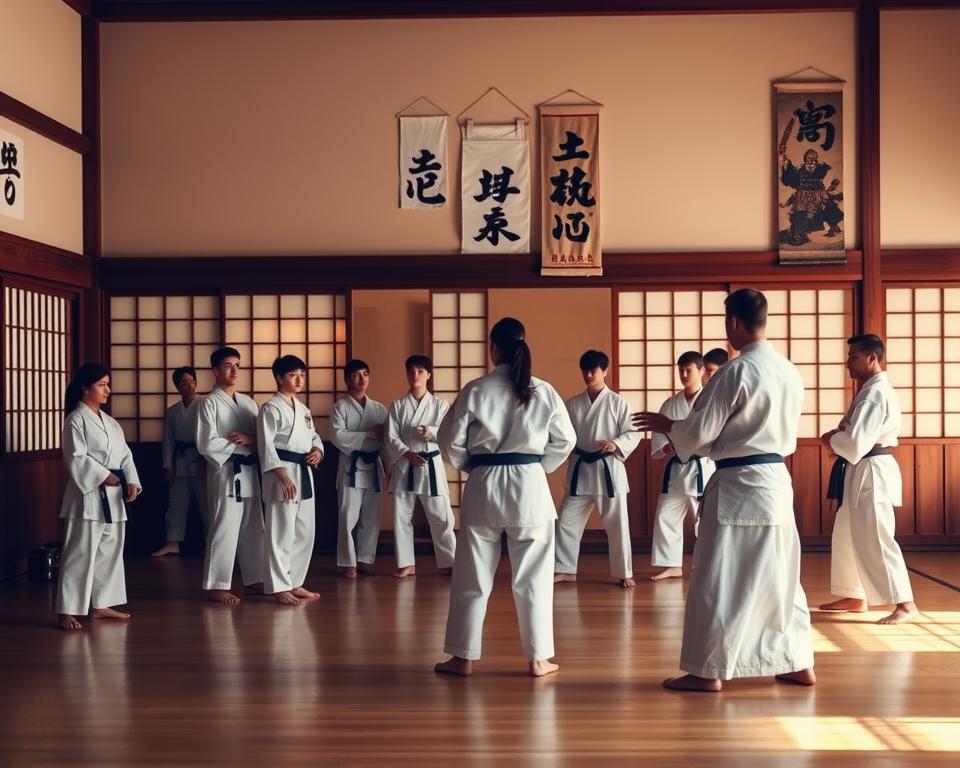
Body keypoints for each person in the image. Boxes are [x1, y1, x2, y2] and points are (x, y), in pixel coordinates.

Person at [633, 289, 815, 692]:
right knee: (781, 574)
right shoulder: (789, 370)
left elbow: (698, 433)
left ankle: (707, 670)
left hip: (738, 483)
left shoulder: (736, 371)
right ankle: (796, 661)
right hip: (776, 482)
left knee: (716, 575)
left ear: (733, 322)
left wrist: (667, 425)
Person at [435, 317, 576, 678]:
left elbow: (448, 441)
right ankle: (538, 658)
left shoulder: (476, 389)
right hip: (529, 487)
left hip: (484, 485)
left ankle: (463, 658)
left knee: (471, 575)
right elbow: (566, 441)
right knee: (533, 579)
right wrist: (536, 466)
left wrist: (473, 466)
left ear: (492, 348)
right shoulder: (543, 390)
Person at [819, 334, 917, 625]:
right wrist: (838, 437)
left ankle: (905, 603)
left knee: (876, 535)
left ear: (872, 358)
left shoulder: (876, 392)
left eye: (853, 357)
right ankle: (854, 594)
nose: (847, 363)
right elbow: (850, 435)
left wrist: (832, 438)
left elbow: (855, 441)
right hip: (860, 468)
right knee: (846, 532)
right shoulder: (867, 390)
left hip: (872, 469)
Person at [56, 363, 142, 630]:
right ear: (85, 387)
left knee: (109, 551)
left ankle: (101, 603)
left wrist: (133, 482)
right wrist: (104, 475)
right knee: (80, 552)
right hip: (88, 496)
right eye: (102, 384)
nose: (108, 390)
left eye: (108, 384)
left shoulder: (111, 422)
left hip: (114, 495)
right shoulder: (76, 420)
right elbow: (76, 457)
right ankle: (68, 610)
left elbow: (126, 456)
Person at [554, 349, 640, 588]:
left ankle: (624, 572)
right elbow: (564, 435)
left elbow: (633, 432)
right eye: (585, 370)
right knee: (566, 523)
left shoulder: (617, 403)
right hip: (581, 470)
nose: (589, 374)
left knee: (617, 525)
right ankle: (565, 568)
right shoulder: (572, 404)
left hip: (608, 470)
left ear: (605, 371)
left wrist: (616, 443)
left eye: (594, 370)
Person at [196, 346, 265, 605]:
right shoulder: (208, 403)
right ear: (215, 370)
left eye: (237, 365)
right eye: (227, 365)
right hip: (226, 471)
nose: (234, 370)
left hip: (250, 471)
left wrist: (251, 439)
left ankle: (255, 578)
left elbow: (263, 437)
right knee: (224, 526)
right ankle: (216, 584)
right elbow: (206, 443)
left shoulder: (248, 402)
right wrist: (242, 444)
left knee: (254, 526)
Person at [258, 355, 324, 606]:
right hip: (282, 473)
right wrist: (281, 475)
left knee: (305, 530)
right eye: (293, 374)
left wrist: (318, 451)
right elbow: (265, 445)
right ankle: (278, 586)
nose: (299, 379)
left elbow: (315, 437)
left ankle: (295, 580)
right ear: (279, 378)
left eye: (302, 374)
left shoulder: (304, 410)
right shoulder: (270, 408)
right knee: (281, 530)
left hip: (304, 471)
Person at [385, 355, 456, 578]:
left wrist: (431, 432)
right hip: (405, 464)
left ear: (428, 375)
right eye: (411, 371)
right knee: (401, 516)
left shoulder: (440, 405)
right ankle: (407, 563)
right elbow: (390, 437)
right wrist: (407, 452)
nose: (415, 376)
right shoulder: (397, 406)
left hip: (430, 464)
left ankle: (449, 561)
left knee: (441, 515)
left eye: (420, 371)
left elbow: (449, 433)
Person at [649, 351, 715, 581]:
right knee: (666, 515)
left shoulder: (710, 400)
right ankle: (671, 564)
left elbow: (712, 433)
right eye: (681, 370)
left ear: (701, 371)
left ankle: (706, 563)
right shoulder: (670, 404)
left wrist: (690, 445)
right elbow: (659, 434)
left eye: (689, 370)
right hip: (676, 469)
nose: (684, 374)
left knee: (705, 519)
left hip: (702, 468)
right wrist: (666, 448)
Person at [331, 359, 387, 578]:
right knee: (347, 516)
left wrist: (389, 465)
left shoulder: (379, 409)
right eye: (356, 375)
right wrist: (367, 434)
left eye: (365, 374)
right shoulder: (340, 407)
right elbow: (337, 436)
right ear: (347, 380)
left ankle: (365, 559)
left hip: (374, 465)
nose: (362, 379)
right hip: (351, 467)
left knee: (372, 516)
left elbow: (387, 441)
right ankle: (347, 562)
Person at [152, 366, 207, 557]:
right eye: (184, 382)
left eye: (192, 381)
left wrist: (206, 461)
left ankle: (211, 544)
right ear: (177, 386)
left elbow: (211, 436)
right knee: (176, 504)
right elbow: (168, 440)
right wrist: (167, 464)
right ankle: (173, 542)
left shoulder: (206, 404)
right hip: (180, 461)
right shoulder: (173, 411)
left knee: (207, 505)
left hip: (202, 461)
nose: (189, 385)